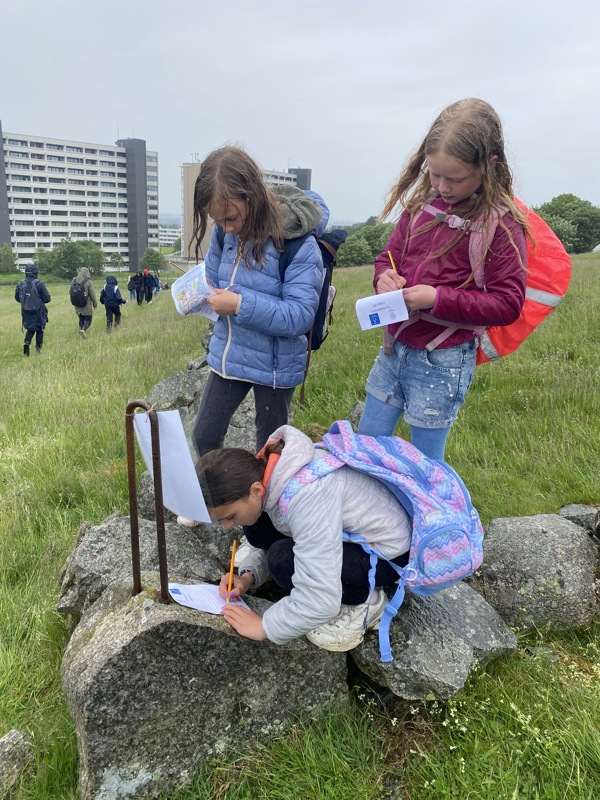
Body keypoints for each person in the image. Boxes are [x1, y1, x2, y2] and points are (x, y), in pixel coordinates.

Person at [358, 98, 529, 461]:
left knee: (427, 462)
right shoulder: (421, 207)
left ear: (490, 166)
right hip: (394, 348)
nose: (441, 185)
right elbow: (384, 258)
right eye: (434, 173)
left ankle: (436, 515)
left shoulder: (501, 226)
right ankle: (372, 515)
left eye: (454, 178)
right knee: (367, 445)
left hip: (444, 359)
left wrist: (435, 298)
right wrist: (383, 279)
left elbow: (508, 303)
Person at [200, 424, 411, 652]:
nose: (226, 526)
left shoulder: (308, 495)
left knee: (282, 561)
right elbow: (286, 533)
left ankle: (366, 600)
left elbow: (321, 598)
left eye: (229, 516)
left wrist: (265, 626)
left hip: (387, 556)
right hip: (353, 535)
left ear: (256, 490)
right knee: (256, 525)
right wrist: (249, 575)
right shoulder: (274, 471)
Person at [189, 144, 329, 460]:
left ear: (251, 195)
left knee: (270, 456)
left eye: (231, 217)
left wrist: (239, 304)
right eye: (218, 220)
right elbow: (212, 279)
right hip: (230, 353)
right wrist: (196, 293)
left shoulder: (297, 242)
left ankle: (264, 510)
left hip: (276, 367)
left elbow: (299, 316)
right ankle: (225, 506)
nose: (226, 228)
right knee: (204, 437)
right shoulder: (225, 234)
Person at [15, 264, 51, 356]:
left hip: (25, 311)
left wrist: (26, 303)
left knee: (30, 329)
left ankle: (26, 344)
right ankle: (38, 350)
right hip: (39, 311)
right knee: (40, 329)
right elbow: (47, 298)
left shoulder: (20, 283)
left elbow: (17, 297)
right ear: (36, 272)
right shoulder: (39, 284)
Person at [71, 267, 97, 339]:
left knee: (81, 318)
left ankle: (81, 332)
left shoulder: (74, 280)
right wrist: (95, 304)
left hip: (76, 304)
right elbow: (92, 295)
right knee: (88, 319)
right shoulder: (88, 282)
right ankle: (83, 330)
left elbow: (70, 291)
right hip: (86, 303)